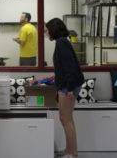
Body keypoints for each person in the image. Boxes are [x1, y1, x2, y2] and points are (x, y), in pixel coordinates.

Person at [45, 18, 84, 158]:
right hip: (67, 85)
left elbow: (70, 67)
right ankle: (69, 150)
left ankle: (72, 153)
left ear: (53, 29)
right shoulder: (62, 42)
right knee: (67, 119)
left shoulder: (62, 43)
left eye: (47, 30)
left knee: (65, 119)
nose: (46, 33)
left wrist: (70, 89)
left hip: (68, 87)